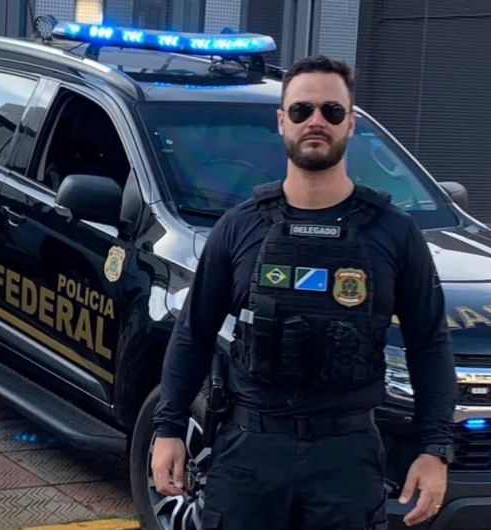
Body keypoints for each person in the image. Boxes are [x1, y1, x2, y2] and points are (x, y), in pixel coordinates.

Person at [150, 54, 458, 529]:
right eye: (301, 110)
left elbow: (430, 345)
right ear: (282, 121)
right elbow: (194, 333)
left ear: (350, 123)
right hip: (249, 454)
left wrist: (435, 449)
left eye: (331, 111)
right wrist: (168, 428)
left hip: (346, 459)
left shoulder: (395, 233)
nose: (316, 121)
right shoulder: (239, 227)